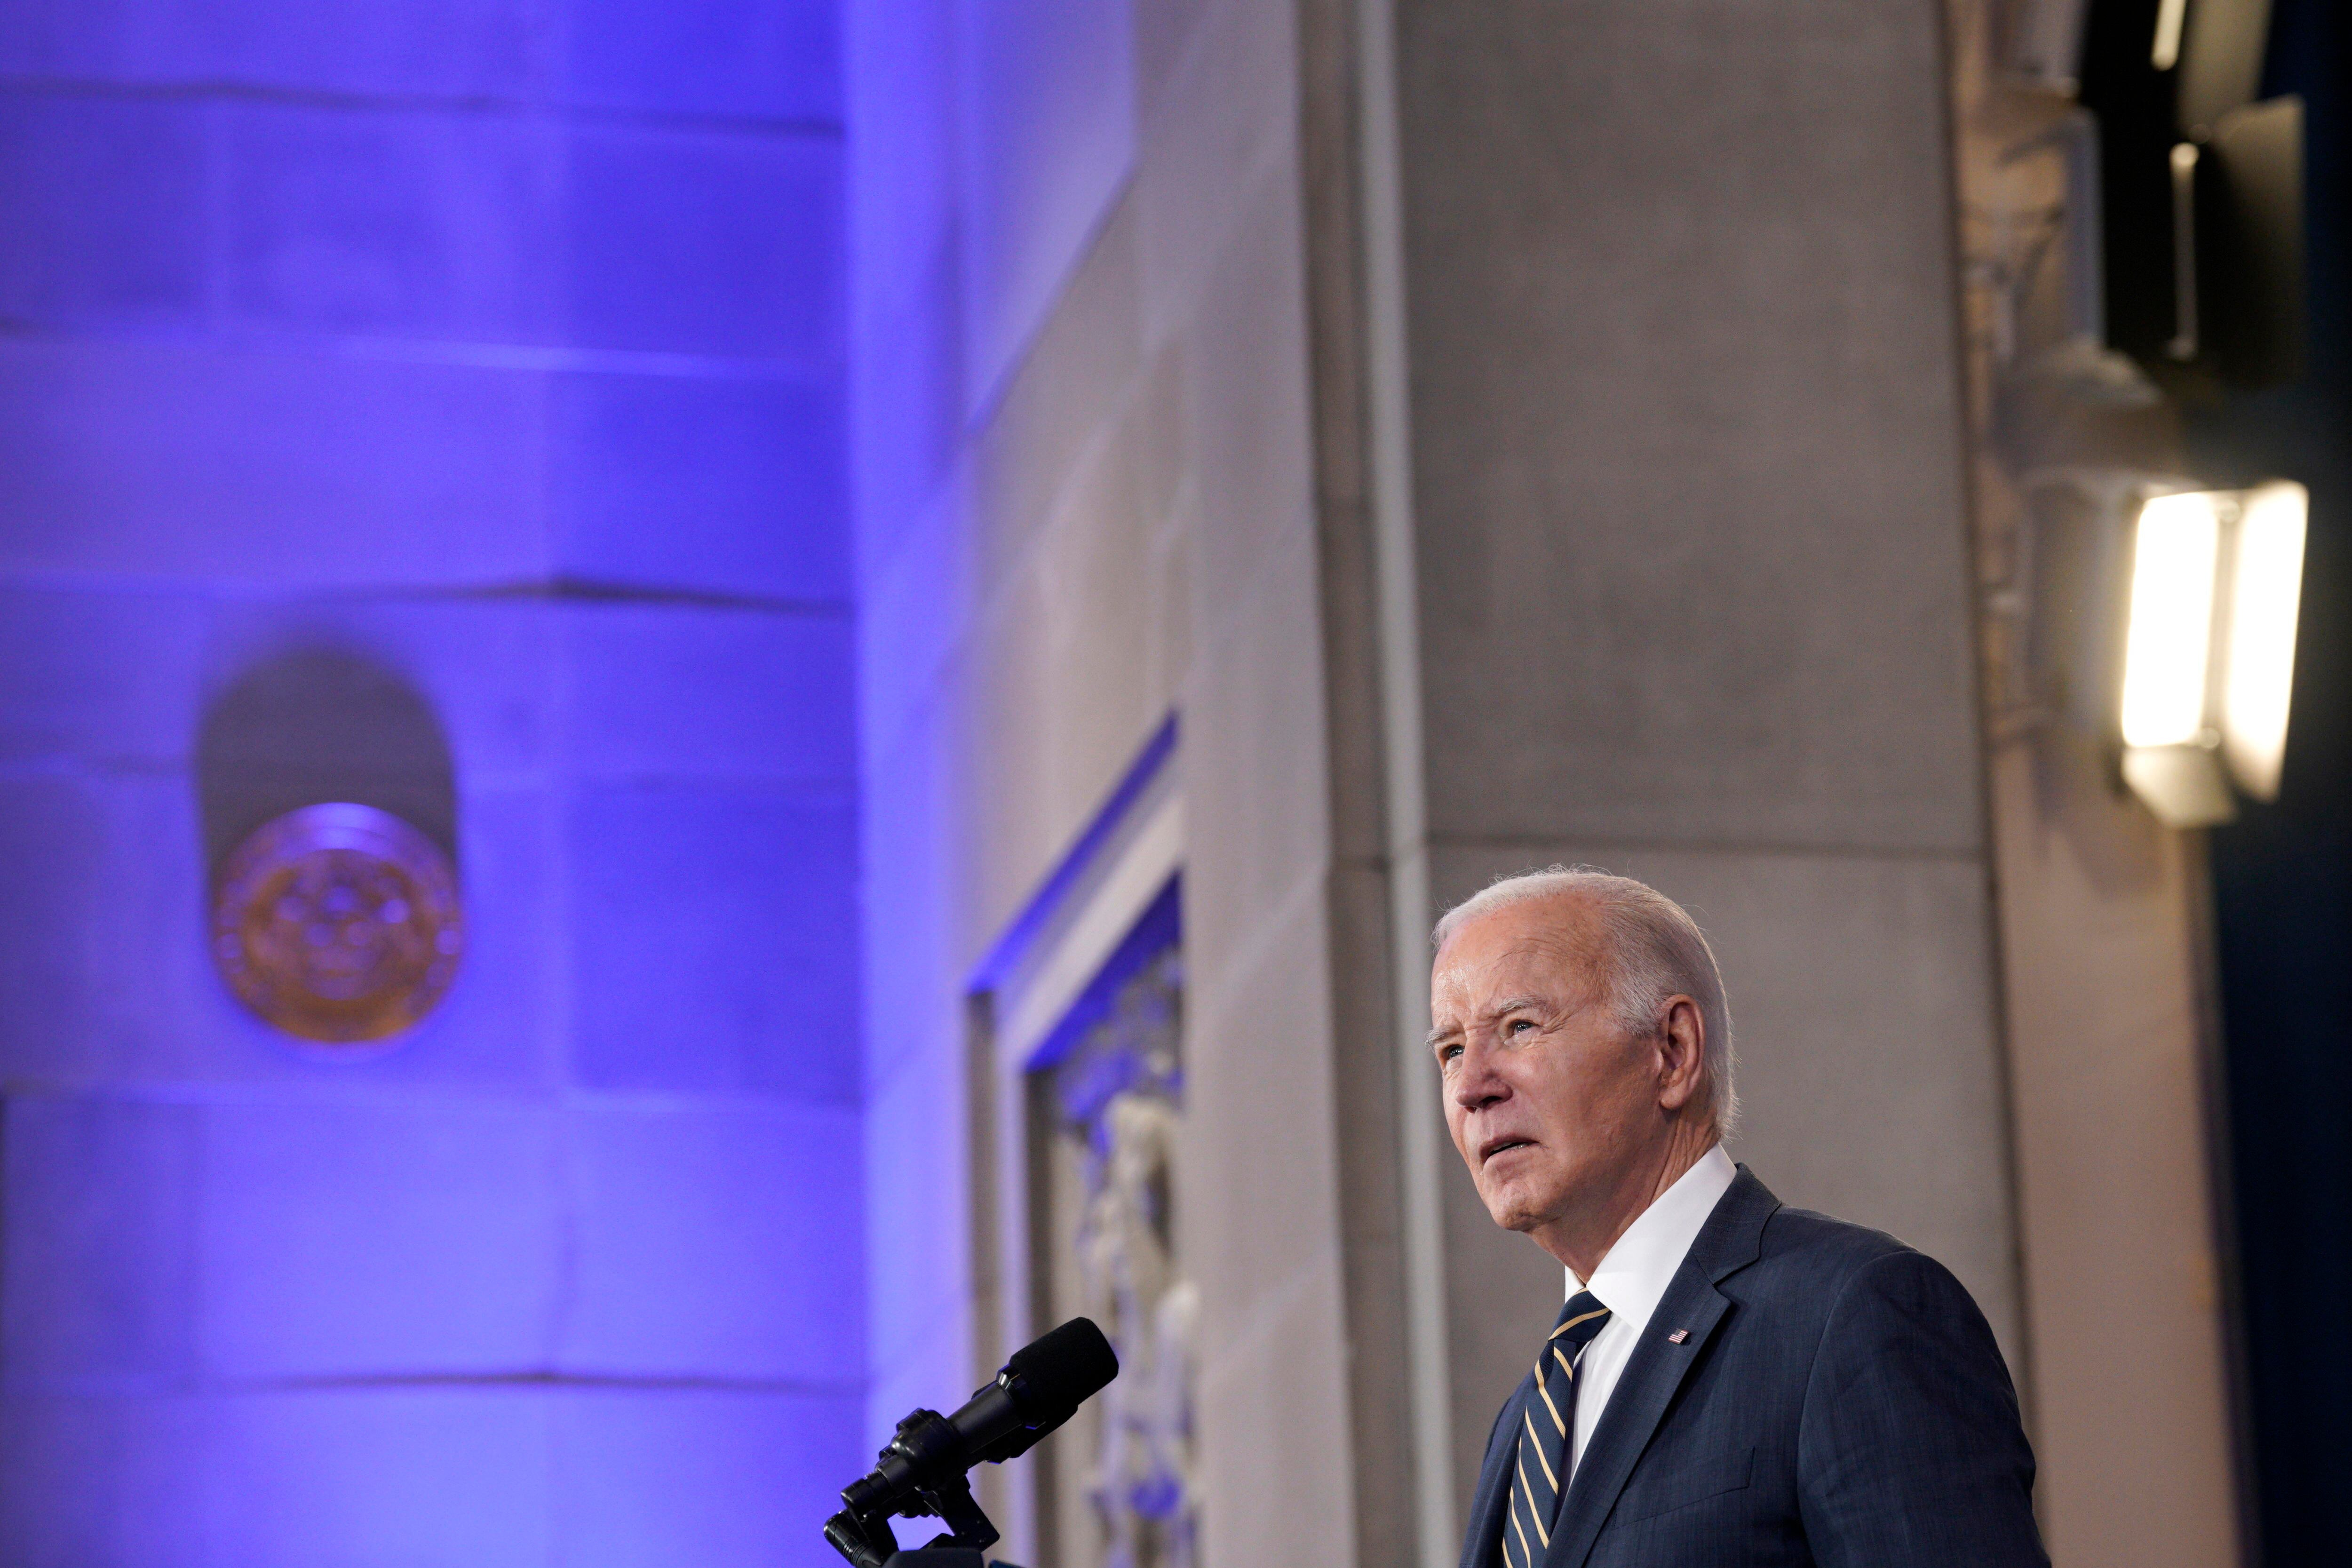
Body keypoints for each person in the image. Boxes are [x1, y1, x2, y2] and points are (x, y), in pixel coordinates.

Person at [1429, 868, 2047, 1568]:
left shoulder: (1855, 1317)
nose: (1473, 1086)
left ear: (1672, 1053)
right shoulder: (1524, 1422)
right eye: (1450, 1050)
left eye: (1519, 1027)